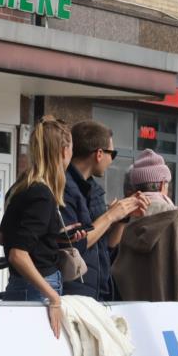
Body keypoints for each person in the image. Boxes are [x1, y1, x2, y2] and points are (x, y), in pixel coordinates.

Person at [0, 116, 82, 338]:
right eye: (72, 148)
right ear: (64, 151)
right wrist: (53, 298)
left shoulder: (20, 188)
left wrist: (55, 238)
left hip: (22, 284)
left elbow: (4, 237)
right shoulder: (43, 195)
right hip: (39, 288)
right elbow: (18, 253)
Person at [112, 149, 178, 302]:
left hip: (137, 314)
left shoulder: (121, 222)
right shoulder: (177, 220)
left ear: (135, 188)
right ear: (162, 185)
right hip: (176, 317)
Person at [61, 120, 146, 300]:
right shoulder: (64, 188)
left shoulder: (94, 190)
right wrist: (110, 215)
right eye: (112, 154)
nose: (111, 160)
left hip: (98, 291)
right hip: (74, 294)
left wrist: (122, 217)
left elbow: (106, 246)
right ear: (99, 154)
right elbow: (74, 245)